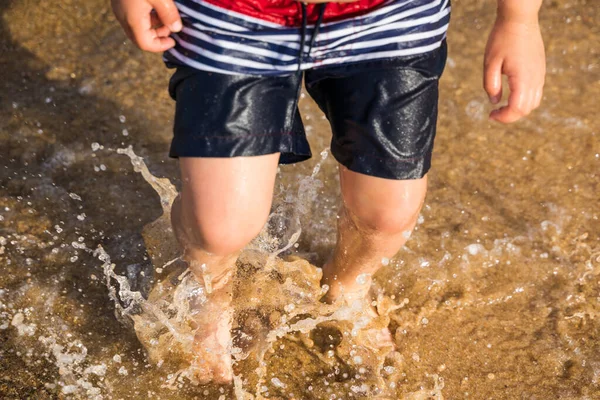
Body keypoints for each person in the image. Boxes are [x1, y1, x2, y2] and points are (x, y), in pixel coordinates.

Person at [111, 0, 545, 384]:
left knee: (388, 214)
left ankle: (348, 288)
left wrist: (519, 17)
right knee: (220, 227)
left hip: (389, 19)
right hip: (234, 16)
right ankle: (210, 300)